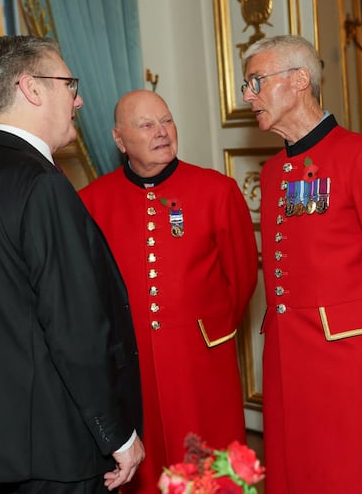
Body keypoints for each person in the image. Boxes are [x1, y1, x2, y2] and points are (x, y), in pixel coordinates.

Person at [0, 35, 145, 493]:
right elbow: (74, 328)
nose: (79, 99)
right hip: (63, 435)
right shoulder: (40, 184)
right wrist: (117, 432)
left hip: (10, 434)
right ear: (32, 89)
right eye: (69, 84)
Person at [240, 34, 362, 494]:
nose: (247, 95)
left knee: (351, 478)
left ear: (299, 80)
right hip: (287, 366)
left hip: (347, 369)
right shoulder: (273, 174)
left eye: (256, 81)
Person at [79, 89, 258, 494]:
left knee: (210, 467)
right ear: (120, 140)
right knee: (146, 470)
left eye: (167, 121)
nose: (162, 132)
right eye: (146, 125)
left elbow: (242, 277)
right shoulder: (91, 202)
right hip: (132, 368)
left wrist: (205, 331)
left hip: (202, 365)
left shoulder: (217, 190)